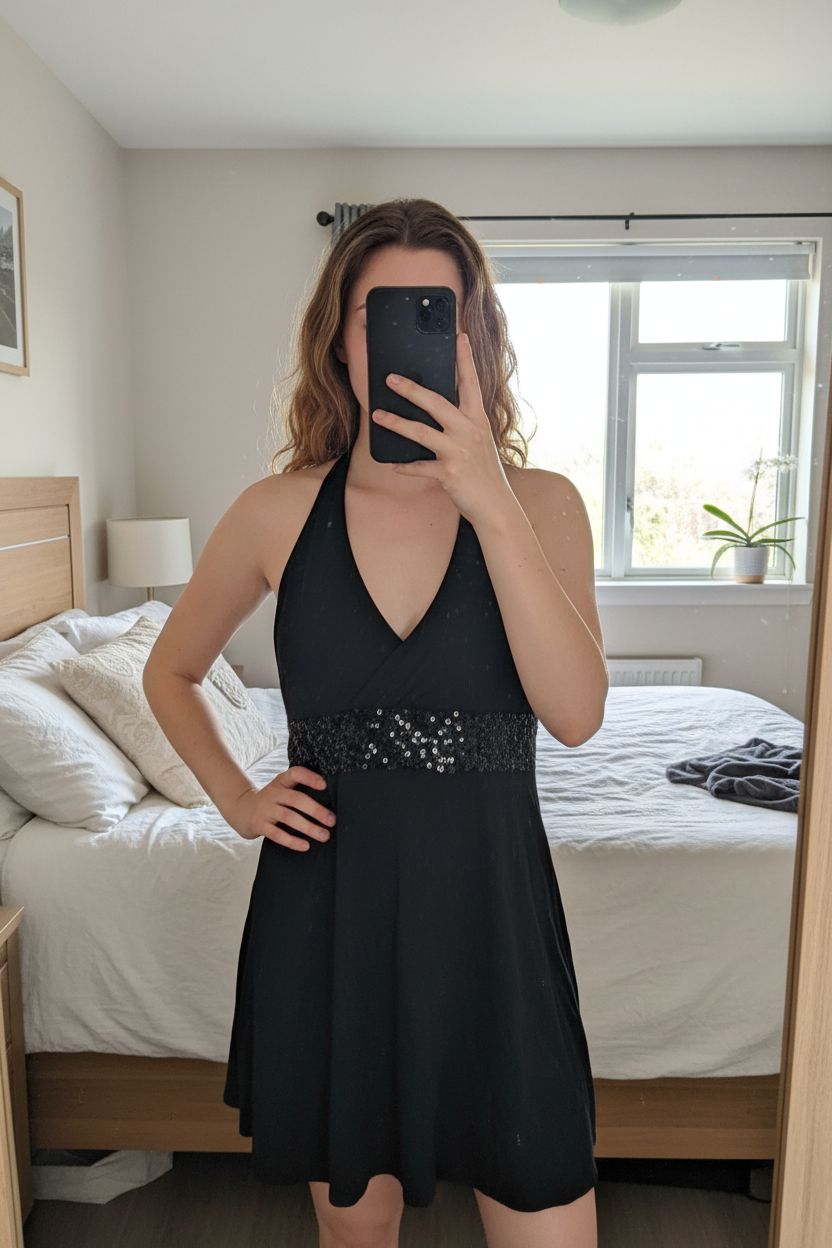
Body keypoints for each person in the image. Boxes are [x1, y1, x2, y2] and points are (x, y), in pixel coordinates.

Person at [143, 197, 608, 1248]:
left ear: (473, 334)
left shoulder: (541, 503)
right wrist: (237, 798)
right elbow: (170, 669)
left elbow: (576, 715)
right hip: (329, 918)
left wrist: (488, 498)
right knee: (360, 1228)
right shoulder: (275, 511)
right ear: (341, 340)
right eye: (382, 312)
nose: (407, 334)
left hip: (493, 917)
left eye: (438, 311)